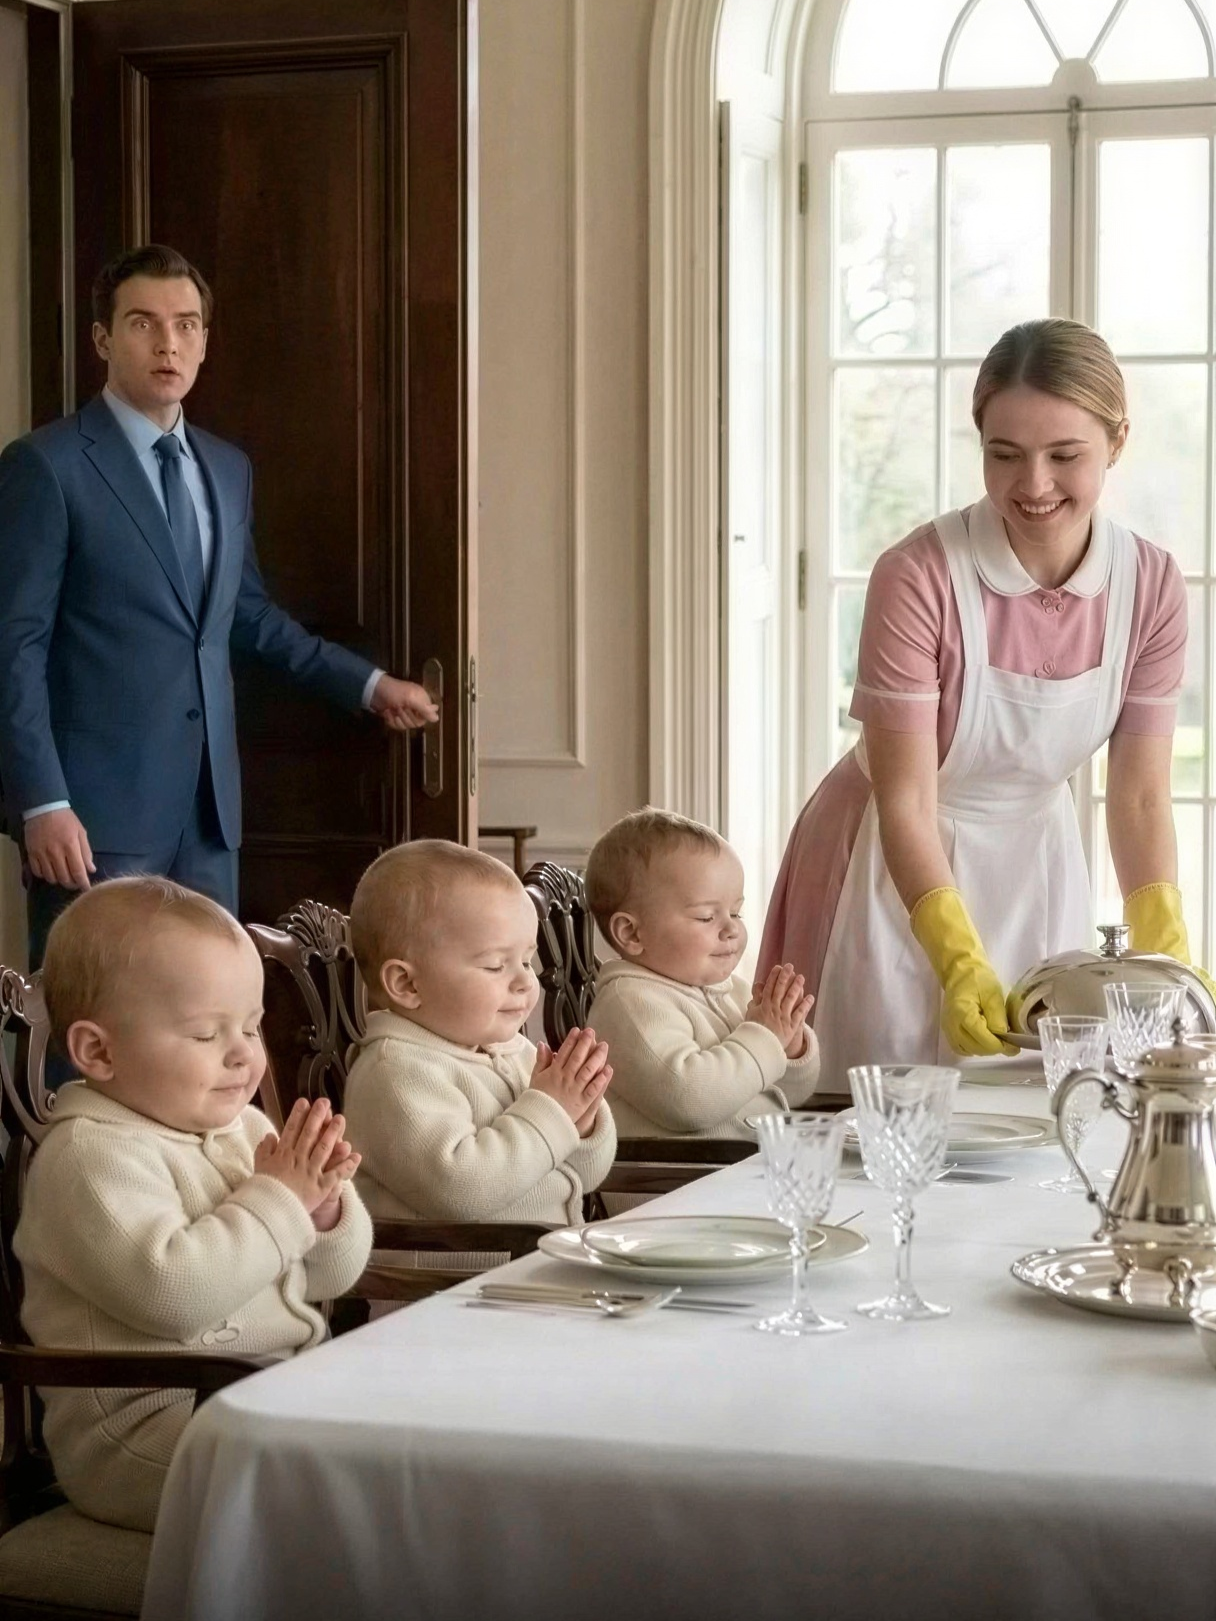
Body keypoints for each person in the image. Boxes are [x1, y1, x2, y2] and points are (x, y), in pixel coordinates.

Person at [759, 317, 1203, 1081]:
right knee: (885, 1105)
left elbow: (1137, 796)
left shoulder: (1150, 586)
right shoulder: (918, 575)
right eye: (1004, 454)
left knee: (1046, 1098)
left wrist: (1168, 957)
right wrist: (958, 958)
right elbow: (906, 799)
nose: (1033, 484)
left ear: (1117, 442)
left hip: (1037, 858)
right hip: (888, 861)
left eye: (1064, 455)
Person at [0, 244, 438, 967]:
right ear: (102, 339)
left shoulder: (228, 469)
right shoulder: (46, 466)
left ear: (204, 340)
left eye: (186, 325)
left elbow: (247, 616)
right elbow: (13, 649)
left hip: (209, 820)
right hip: (93, 821)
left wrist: (368, 684)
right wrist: (41, 801)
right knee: (95, 1015)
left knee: (206, 1007)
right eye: (143, 323)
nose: (167, 344)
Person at [14, 876, 373, 1533]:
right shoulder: (89, 1157)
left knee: (417, 1434)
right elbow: (174, 1293)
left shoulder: (243, 1128)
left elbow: (332, 1276)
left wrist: (322, 1211)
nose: (243, 1055)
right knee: (353, 1490)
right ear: (99, 1051)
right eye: (207, 1034)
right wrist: (281, 1200)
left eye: (251, 1026)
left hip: (266, 1389)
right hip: (148, 1429)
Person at [343, 840, 616, 1224]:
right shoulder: (394, 1074)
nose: (525, 981)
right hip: (481, 1263)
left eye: (526, 960)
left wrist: (581, 1121)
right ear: (407, 984)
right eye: (494, 966)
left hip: (545, 1252)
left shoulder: (512, 1049)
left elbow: (585, 1178)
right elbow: (462, 1190)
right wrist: (552, 1111)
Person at [585, 808, 820, 1138]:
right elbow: (690, 1101)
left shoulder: (732, 990)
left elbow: (788, 1097)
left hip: (756, 1160)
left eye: (736, 913)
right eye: (706, 917)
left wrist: (788, 1046)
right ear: (632, 933)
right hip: (686, 1169)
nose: (731, 929)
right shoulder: (630, 1004)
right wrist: (764, 1037)